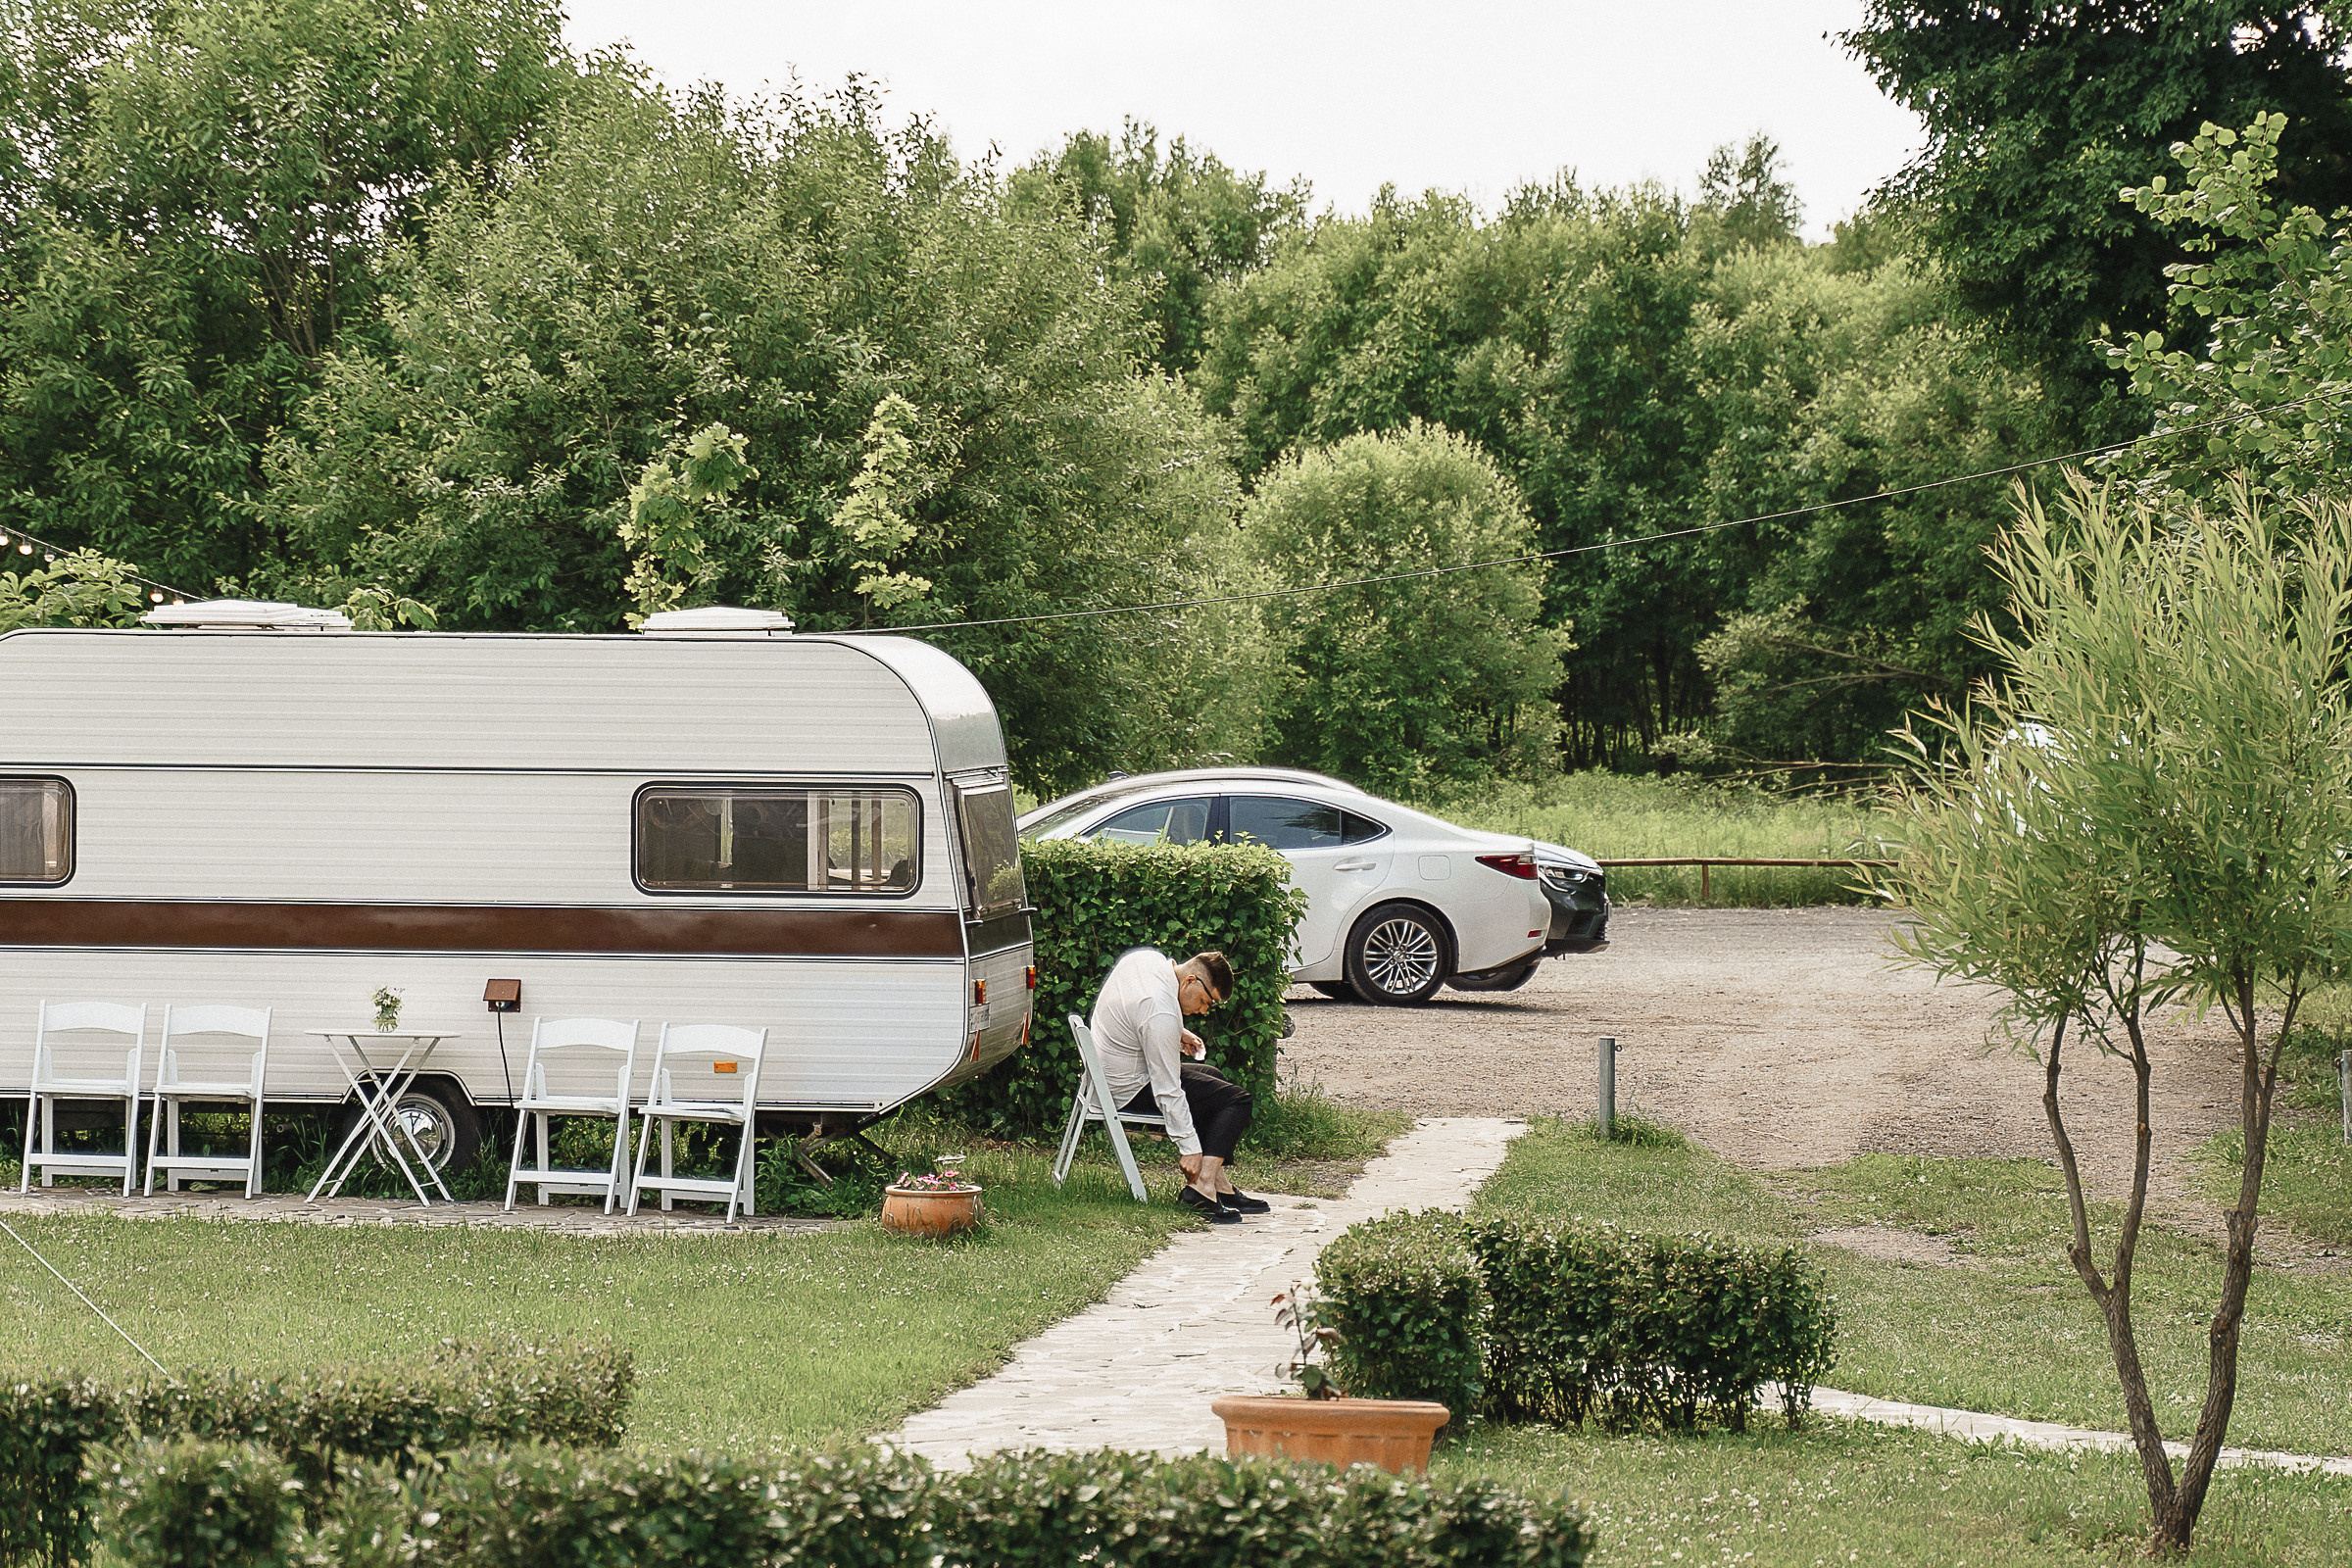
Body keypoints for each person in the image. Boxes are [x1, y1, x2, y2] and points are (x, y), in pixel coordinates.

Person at [1088, 947, 1264, 1223]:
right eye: (1207, 1001)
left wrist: (1175, 1032)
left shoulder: (1148, 960)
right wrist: (1189, 1148)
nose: (1204, 1011)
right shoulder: (1161, 1011)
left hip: (1108, 1075)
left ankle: (1220, 1185)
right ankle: (1202, 1188)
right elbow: (1167, 1090)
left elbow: (1134, 1010)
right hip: (1124, 1089)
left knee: (1213, 1076)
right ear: (1191, 980)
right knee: (1237, 1100)